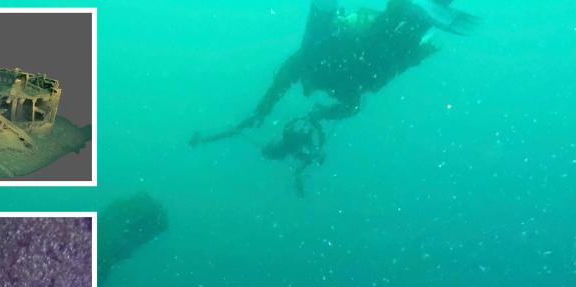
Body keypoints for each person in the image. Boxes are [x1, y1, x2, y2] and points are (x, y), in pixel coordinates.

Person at [190, 0, 478, 192]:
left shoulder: (328, 80)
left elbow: (341, 101)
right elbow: (288, 77)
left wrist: (266, 111)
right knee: (378, 44)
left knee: (387, 48)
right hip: (357, 56)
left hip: (362, 62)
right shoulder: (324, 74)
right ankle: (413, 11)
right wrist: (281, 111)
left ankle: (420, 16)